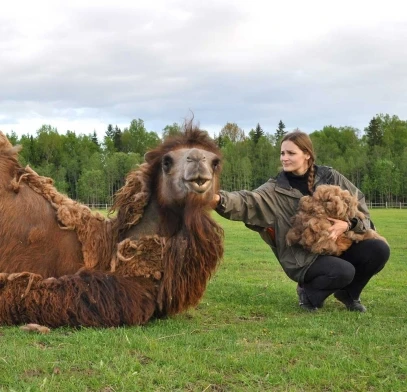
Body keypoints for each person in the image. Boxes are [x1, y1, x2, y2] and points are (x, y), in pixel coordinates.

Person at [214, 130, 390, 312]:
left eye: (291, 153)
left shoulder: (330, 176)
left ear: (307, 155)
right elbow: (246, 202)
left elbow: (359, 206)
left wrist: (348, 224)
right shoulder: (274, 189)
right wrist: (218, 199)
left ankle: (349, 294)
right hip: (303, 258)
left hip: (339, 246)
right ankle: (309, 294)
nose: (284, 158)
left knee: (379, 249)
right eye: (282, 153)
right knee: (344, 271)